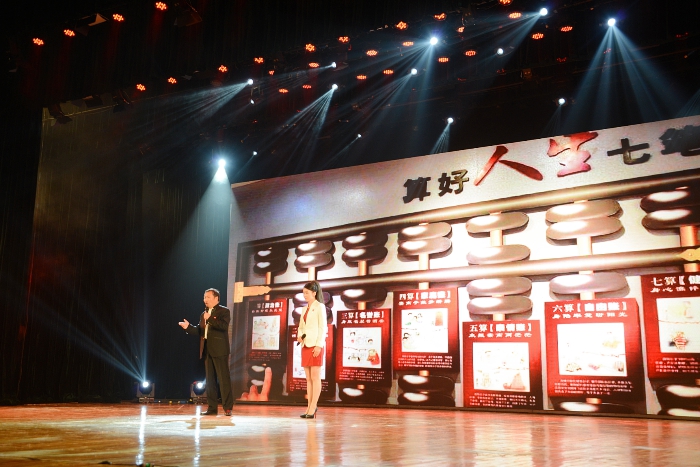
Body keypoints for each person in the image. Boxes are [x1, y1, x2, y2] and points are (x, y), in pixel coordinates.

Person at [178, 288, 234, 416]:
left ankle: (227, 408)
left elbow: (223, 326)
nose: (205, 300)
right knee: (210, 381)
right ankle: (212, 408)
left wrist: (210, 318)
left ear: (216, 298)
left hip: (220, 350)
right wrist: (188, 328)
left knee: (223, 379)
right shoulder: (203, 314)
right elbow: (200, 330)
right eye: (204, 297)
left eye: (208, 297)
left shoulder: (224, 311)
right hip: (207, 350)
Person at [297, 280, 327, 419]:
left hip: (315, 345)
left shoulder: (320, 307)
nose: (305, 295)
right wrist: (299, 336)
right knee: (308, 378)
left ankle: (313, 406)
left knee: (315, 377)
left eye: (307, 293)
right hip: (305, 345)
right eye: (303, 293)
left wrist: (319, 345)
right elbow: (301, 327)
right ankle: (309, 406)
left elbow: (323, 328)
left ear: (314, 293)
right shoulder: (304, 309)